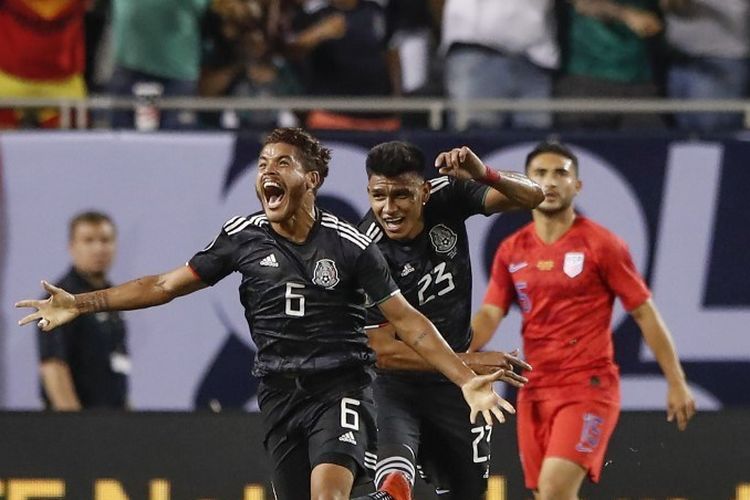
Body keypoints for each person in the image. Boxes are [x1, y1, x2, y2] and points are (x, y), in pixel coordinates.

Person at [17, 128, 513, 500]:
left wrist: (460, 374)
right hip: (279, 395)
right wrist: (80, 303)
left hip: (340, 387)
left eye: (282, 162)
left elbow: (408, 323)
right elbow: (164, 285)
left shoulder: (352, 246)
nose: (267, 172)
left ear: (311, 178)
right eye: (261, 163)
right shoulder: (242, 238)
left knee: (329, 495)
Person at [471, 141, 697, 499]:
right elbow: (488, 314)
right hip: (533, 386)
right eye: (540, 174)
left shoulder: (602, 245)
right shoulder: (512, 250)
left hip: (586, 386)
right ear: (523, 184)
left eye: (561, 173)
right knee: (545, 495)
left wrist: (676, 380)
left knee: (555, 490)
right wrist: (451, 355)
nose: (550, 182)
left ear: (577, 186)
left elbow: (644, 312)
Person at [357, 141, 545, 498]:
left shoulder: (449, 197)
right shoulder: (365, 251)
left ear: (424, 191)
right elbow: (382, 352)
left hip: (455, 387)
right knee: (394, 485)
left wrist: (484, 174)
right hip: (394, 385)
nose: (389, 208)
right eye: (378, 195)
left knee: (467, 492)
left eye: (401, 195)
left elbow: (533, 197)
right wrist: (472, 361)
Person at [37, 211, 128, 411]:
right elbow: (53, 367)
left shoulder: (114, 298)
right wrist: (76, 428)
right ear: (72, 247)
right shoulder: (59, 302)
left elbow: (118, 367)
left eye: (105, 240)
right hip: (77, 429)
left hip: (112, 423)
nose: (98, 248)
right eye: (88, 241)